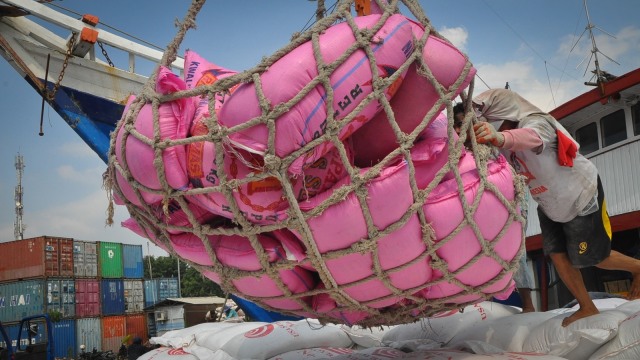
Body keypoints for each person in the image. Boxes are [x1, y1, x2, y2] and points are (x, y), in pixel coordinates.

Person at [472, 88, 640, 326]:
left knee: (595, 258)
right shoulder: (502, 145)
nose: (496, 132)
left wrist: (500, 138)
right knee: (558, 257)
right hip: (548, 202)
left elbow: (532, 138)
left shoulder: (537, 122)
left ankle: (638, 268)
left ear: (507, 116)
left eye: (497, 126)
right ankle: (587, 306)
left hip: (580, 193)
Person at [454, 101, 536, 313]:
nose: (460, 129)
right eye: (457, 125)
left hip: (510, 201)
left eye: (464, 123)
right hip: (483, 206)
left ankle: (527, 305)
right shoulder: (460, 151)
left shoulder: (489, 144)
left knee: (517, 251)